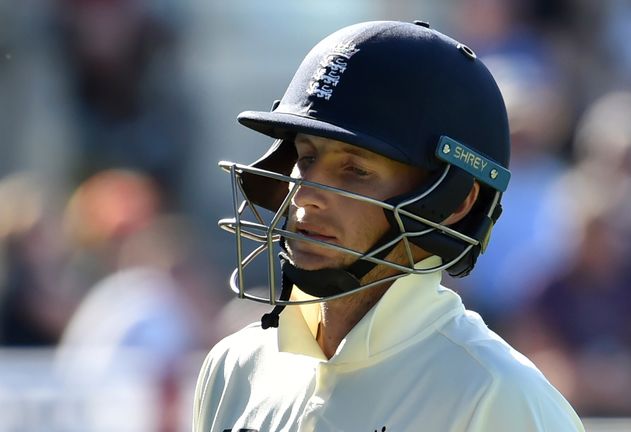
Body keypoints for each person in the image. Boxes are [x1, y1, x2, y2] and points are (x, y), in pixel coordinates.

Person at [193, 20, 584, 432]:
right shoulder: (234, 367)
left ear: (453, 203)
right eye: (306, 158)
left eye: (355, 170)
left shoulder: (497, 397)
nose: (305, 194)